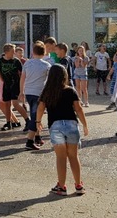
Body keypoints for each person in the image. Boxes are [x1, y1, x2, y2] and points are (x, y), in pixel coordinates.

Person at [36, 64, 89, 196]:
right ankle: (78, 185)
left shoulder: (47, 91)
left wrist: (38, 122)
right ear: (64, 76)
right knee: (73, 156)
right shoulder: (71, 91)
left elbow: (40, 108)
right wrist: (85, 124)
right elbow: (78, 109)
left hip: (55, 127)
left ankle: (61, 186)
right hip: (71, 125)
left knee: (61, 157)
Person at [20, 41, 51, 150]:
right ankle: (29, 141)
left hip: (29, 92)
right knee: (35, 116)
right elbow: (50, 81)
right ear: (44, 53)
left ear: (33, 52)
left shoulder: (27, 63)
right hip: (39, 93)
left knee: (36, 115)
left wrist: (21, 92)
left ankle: (37, 136)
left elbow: (22, 78)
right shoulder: (46, 65)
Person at [0, 43, 28, 131]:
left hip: (15, 85)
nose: (14, 53)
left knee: (16, 104)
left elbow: (22, 72)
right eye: (12, 52)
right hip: (6, 86)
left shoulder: (16, 61)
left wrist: (22, 87)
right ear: (6, 52)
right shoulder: (0, 61)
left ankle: (28, 121)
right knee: (7, 104)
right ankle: (9, 123)